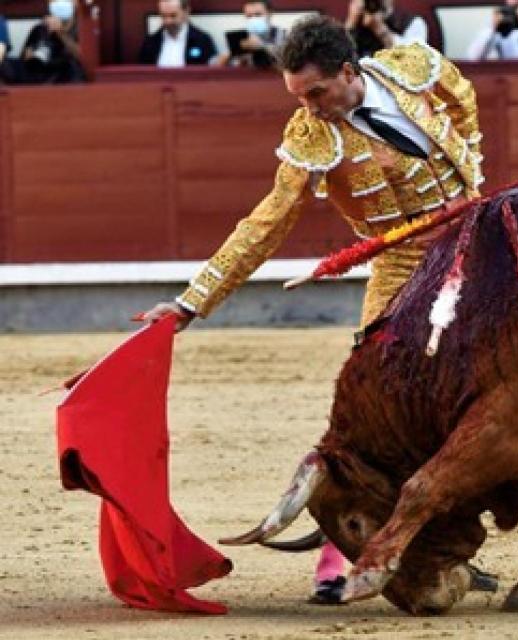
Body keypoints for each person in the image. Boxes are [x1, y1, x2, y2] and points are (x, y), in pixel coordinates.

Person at [141, 15, 485, 604]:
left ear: (349, 72)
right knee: (378, 413)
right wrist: (191, 301)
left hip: (474, 251)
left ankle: (445, 544)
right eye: (297, 96)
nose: (309, 108)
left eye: (316, 93)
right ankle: (339, 550)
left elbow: (461, 96)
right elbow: (267, 222)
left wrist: (473, 163)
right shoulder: (311, 138)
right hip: (401, 268)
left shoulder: (410, 68)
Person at [4, 0, 86, 84]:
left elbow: (83, 58)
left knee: (72, 67)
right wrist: (29, 57)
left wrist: (60, 33)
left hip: (64, 77)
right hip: (40, 75)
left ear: (76, 3)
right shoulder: (40, 29)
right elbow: (25, 58)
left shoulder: (83, 29)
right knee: (7, 64)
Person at [139, 0, 217, 67]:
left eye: (173, 16)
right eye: (164, 16)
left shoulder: (202, 41)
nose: (168, 21)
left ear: (186, 12)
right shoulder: (150, 43)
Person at [345, 0, 427, 58]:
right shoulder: (357, 23)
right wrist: (351, 23)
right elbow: (341, 57)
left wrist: (380, 30)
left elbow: (413, 59)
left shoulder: (413, 22)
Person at [219, 0, 286, 69]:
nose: (253, 19)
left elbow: (287, 62)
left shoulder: (282, 35)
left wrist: (262, 46)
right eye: (249, 16)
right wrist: (235, 50)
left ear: (270, 13)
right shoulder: (238, 36)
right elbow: (219, 64)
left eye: (258, 15)